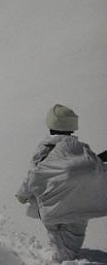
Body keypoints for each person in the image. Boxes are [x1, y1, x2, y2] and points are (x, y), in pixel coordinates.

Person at [16, 104, 107, 263]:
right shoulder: (81, 148)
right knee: (72, 240)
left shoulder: (46, 148)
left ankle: (55, 258)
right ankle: (65, 255)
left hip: (53, 206)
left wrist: (22, 194)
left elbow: (34, 174)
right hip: (80, 205)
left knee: (56, 239)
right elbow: (96, 167)